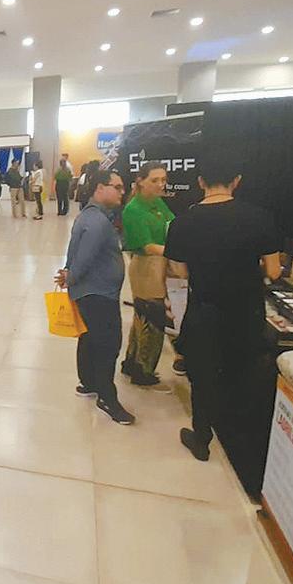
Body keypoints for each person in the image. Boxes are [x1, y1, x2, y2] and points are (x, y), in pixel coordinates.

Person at [165, 155, 282, 499]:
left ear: (200, 182)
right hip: (246, 310)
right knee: (242, 370)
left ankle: (201, 437)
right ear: (237, 181)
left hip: (205, 308)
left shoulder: (184, 222)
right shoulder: (259, 218)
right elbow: (273, 270)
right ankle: (238, 438)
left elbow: (179, 271)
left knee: (203, 372)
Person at [55, 169, 135, 425]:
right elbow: (84, 257)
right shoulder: (97, 221)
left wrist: (69, 274)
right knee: (108, 344)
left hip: (93, 291)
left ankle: (88, 382)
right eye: (117, 187)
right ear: (100, 188)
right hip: (97, 294)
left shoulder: (92, 216)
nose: (122, 192)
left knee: (89, 337)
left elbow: (75, 254)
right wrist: (70, 277)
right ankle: (107, 397)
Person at [120, 162, 175, 392]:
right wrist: (176, 249)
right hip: (146, 267)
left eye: (163, 180)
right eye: (155, 180)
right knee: (152, 318)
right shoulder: (133, 209)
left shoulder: (157, 203)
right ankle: (143, 371)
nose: (161, 184)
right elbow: (146, 245)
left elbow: (172, 223)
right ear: (141, 181)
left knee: (142, 317)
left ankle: (133, 362)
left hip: (157, 266)